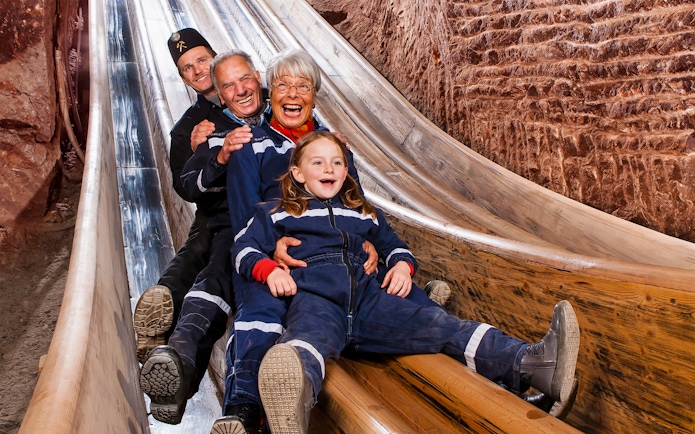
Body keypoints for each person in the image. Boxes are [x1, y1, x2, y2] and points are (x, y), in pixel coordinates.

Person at [233, 131, 581, 433]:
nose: (329, 169)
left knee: (440, 325)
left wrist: (401, 266)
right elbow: (243, 248)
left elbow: (394, 246)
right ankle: (292, 403)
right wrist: (270, 270)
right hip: (316, 296)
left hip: (370, 300)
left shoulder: (363, 211)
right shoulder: (277, 211)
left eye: (337, 163)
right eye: (318, 163)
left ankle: (531, 364)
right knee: (306, 340)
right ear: (297, 172)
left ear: (346, 170)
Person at [208, 49, 451, 434]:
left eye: (303, 86)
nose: (293, 94)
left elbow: (357, 208)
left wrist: (369, 246)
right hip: (274, 255)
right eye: (284, 85)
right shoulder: (249, 144)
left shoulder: (336, 148)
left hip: (333, 262)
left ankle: (447, 330)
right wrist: (270, 253)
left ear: (314, 96)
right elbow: (244, 224)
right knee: (263, 311)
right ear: (270, 94)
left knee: (384, 282)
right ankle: (243, 409)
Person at [136, 34, 297, 425]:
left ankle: (176, 344)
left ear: (257, 77)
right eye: (187, 69)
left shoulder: (279, 105)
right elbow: (187, 185)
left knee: (222, 262)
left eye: (202, 62)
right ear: (221, 97)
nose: (197, 72)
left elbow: (309, 131)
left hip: (287, 218)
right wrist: (212, 151)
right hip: (226, 215)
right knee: (212, 257)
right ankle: (173, 346)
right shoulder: (201, 128)